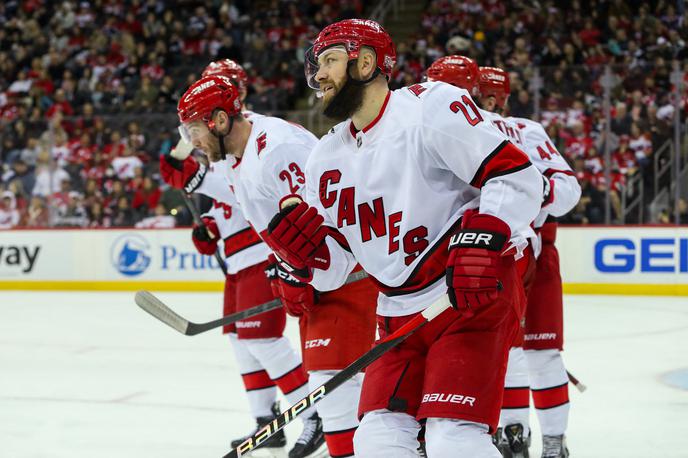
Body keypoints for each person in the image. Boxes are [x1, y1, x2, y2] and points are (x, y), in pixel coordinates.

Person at [265, 19, 542, 457]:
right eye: (316, 65)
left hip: (464, 298)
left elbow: (519, 176)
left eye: (330, 61)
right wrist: (302, 262)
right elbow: (336, 269)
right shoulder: (325, 157)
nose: (318, 75)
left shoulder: (428, 107)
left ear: (367, 62)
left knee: (453, 437)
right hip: (396, 314)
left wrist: (486, 235)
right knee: (377, 440)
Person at [167, 61, 378, 458]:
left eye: (194, 129)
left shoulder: (277, 147)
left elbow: (332, 217)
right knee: (335, 397)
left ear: (218, 120)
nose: (191, 141)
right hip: (323, 281)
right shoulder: (236, 157)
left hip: (351, 279)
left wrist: (301, 271)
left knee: (345, 397)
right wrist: (292, 270)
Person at [427, 56, 580, 458]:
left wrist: (527, 190)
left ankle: (551, 443)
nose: (489, 102)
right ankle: (513, 433)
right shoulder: (442, 128)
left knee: (540, 352)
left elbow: (567, 191)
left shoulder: (524, 130)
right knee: (504, 351)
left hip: (527, 249)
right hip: (477, 253)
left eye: (493, 96)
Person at [161, 59, 315, 458]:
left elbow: (249, 196)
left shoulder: (254, 137)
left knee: (260, 335)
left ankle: (315, 414)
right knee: (239, 338)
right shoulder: (224, 146)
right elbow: (226, 195)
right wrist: (209, 225)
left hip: (261, 254)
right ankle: (266, 421)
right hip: (237, 257)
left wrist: (188, 175)